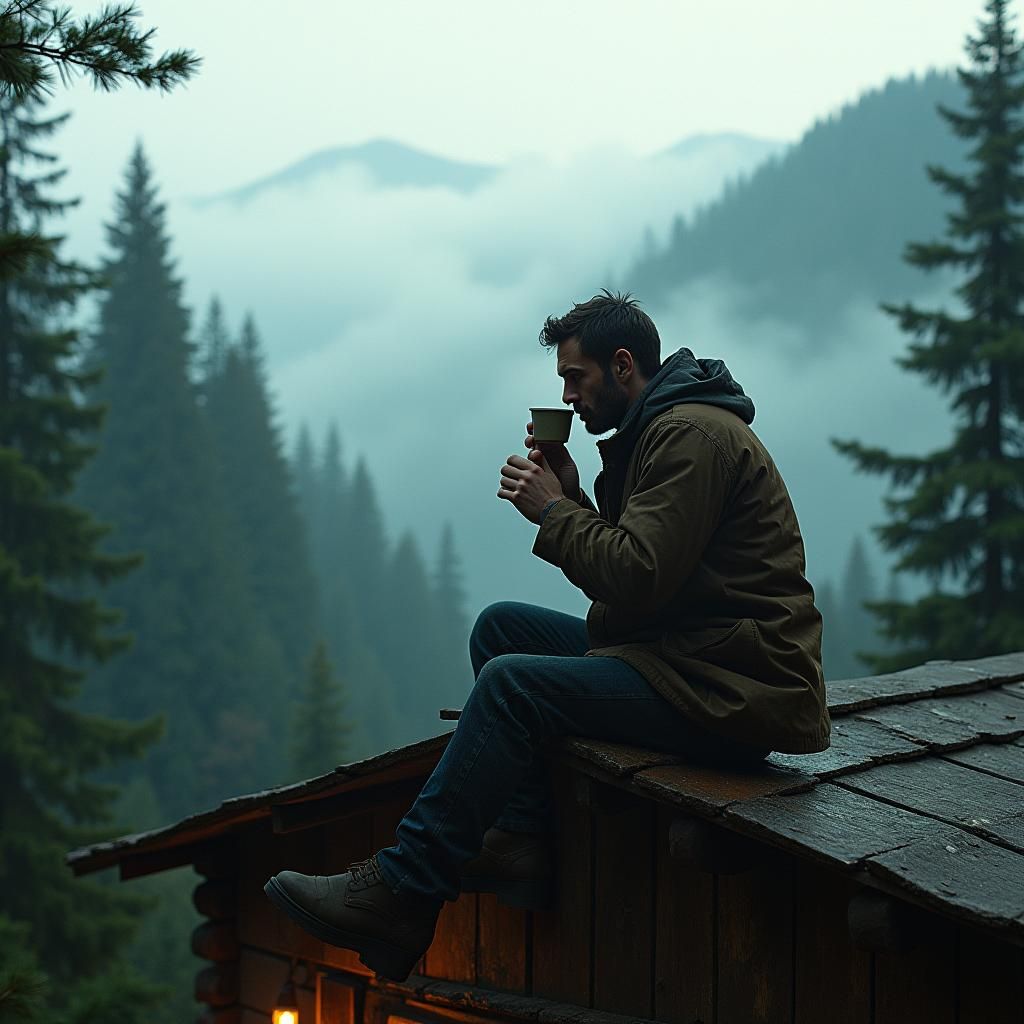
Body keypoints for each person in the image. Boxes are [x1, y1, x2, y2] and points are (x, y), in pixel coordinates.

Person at [265, 290, 831, 982]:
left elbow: (638, 576)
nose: (567, 396)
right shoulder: (658, 432)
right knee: (502, 630)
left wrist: (554, 512)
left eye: (575, 377)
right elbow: (639, 581)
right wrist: (576, 499)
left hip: (734, 691)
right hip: (692, 657)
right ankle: (520, 840)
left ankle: (401, 891)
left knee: (512, 684)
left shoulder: (690, 437)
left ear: (623, 365)